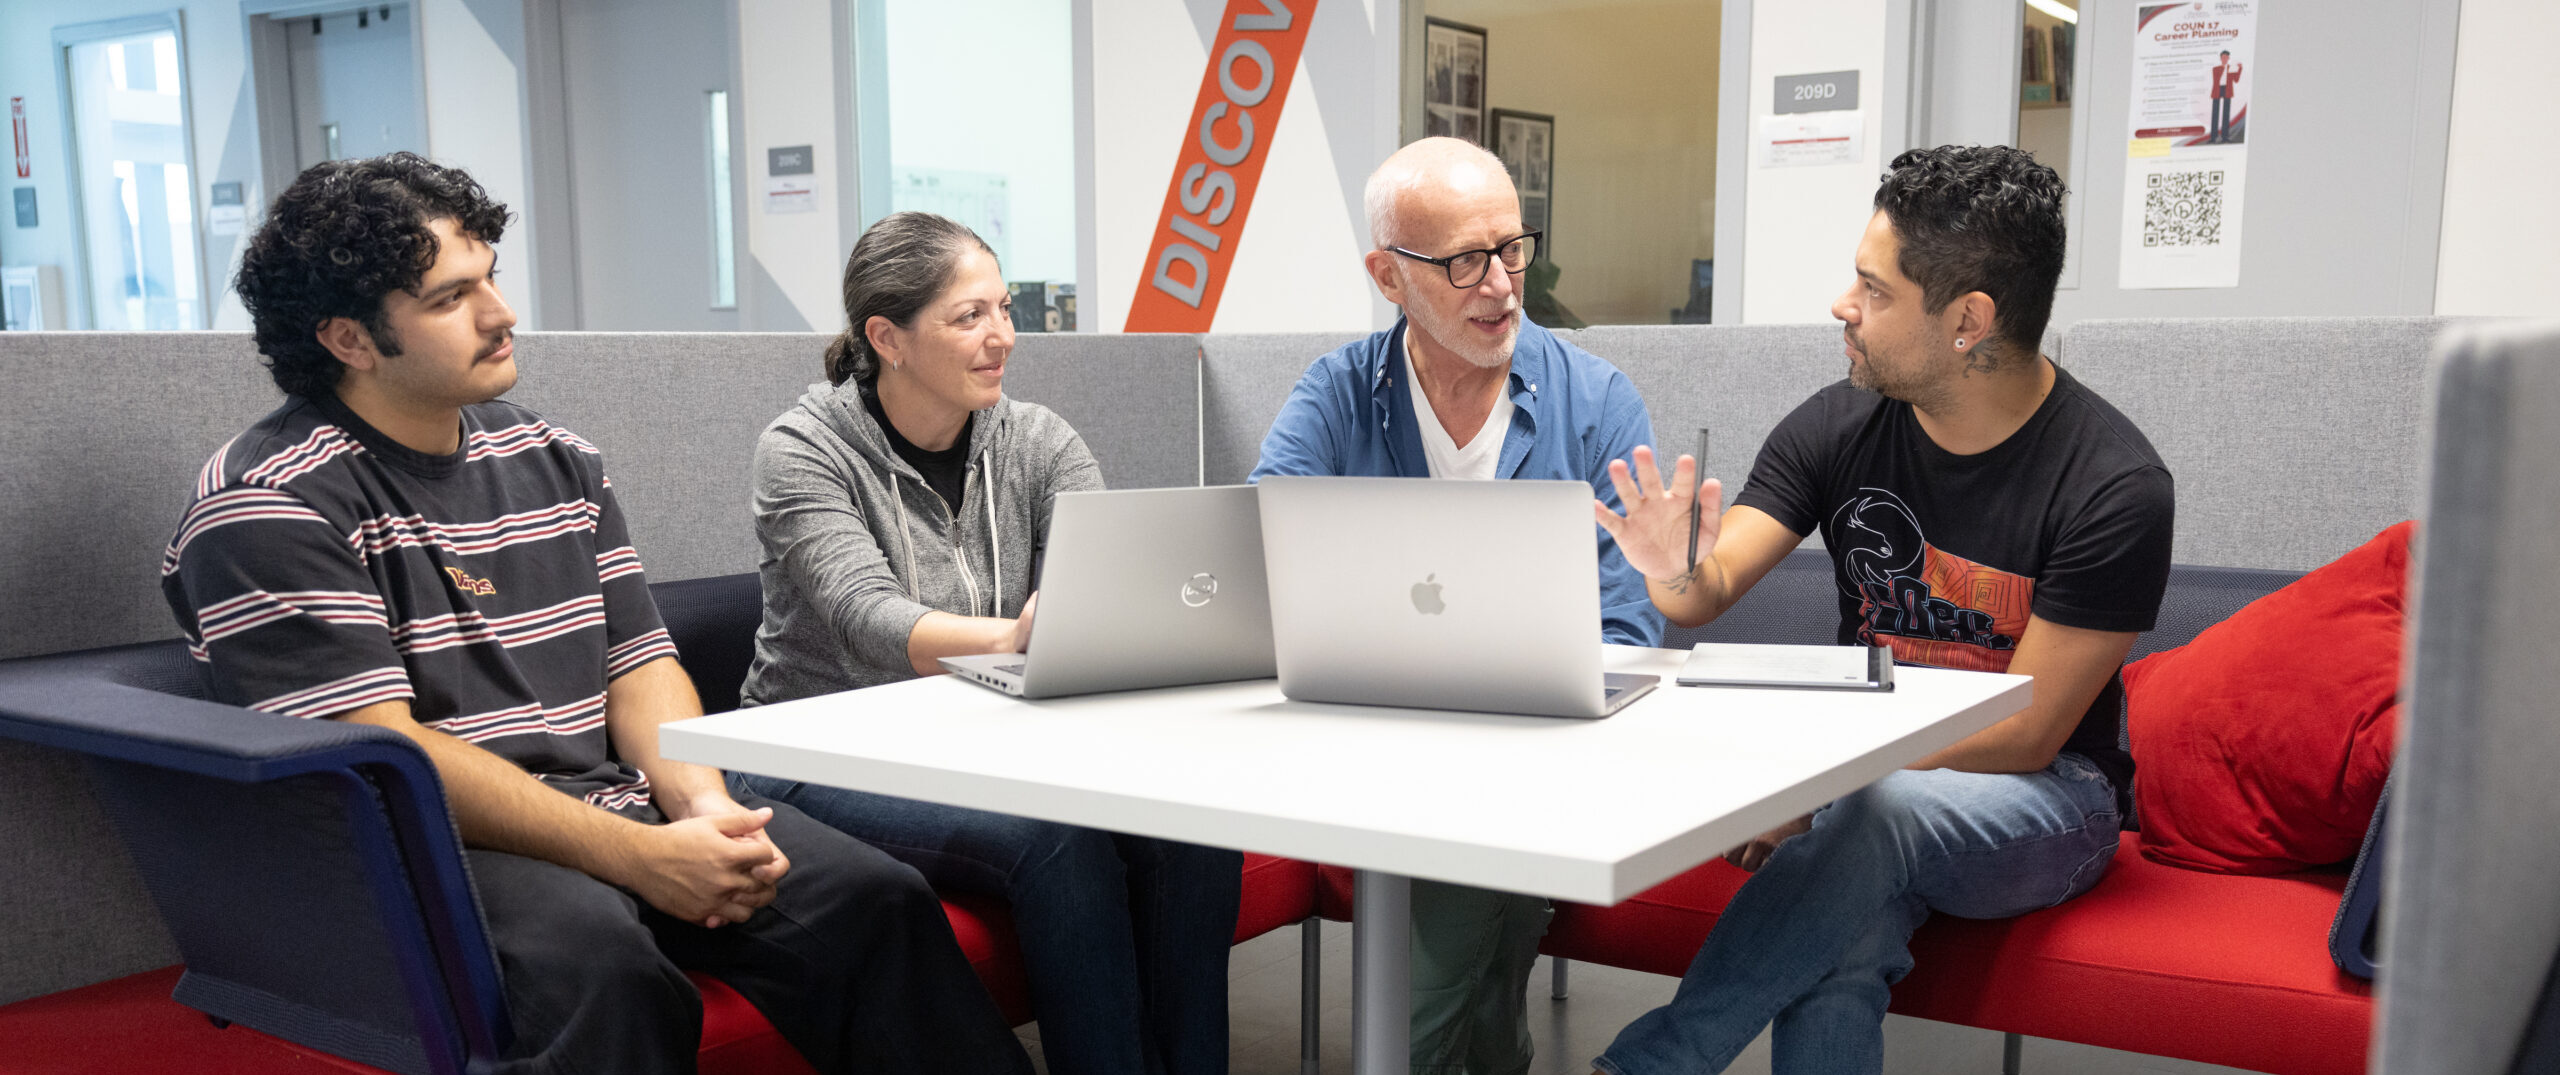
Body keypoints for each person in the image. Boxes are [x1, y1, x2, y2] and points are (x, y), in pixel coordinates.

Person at [167, 153, 1031, 1075]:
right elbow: (389, 751)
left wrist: (701, 803)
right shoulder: (268, 501)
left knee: (873, 897)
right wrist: (638, 856)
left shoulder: (558, 457)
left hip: (610, 796)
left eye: (491, 276)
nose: (501, 313)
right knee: (603, 967)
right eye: (452, 297)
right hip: (428, 848)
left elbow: (642, 662)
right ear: (349, 338)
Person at [1587, 145, 2173, 1075]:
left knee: (1873, 814)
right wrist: (1669, 569)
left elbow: (2027, 733)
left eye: (1874, 287)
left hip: (2055, 801)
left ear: (1968, 322)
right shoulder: (1837, 424)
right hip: (1873, 795)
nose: (1841, 305)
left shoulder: (2113, 485)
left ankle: (1650, 1063)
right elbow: (1710, 588)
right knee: (1842, 933)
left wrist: (1819, 788)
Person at [733, 210, 1242, 1075]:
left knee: (1193, 822)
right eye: (969, 316)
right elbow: (869, 618)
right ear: (886, 336)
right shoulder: (803, 450)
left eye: (1004, 309)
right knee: (1058, 839)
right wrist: (1018, 635)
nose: (1002, 336)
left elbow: (1105, 579)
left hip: (984, 739)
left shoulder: (1037, 439)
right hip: (814, 748)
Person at [1252, 135, 1665, 1075]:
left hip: (1537, 756)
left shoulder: (1596, 400)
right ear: (1388, 277)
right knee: (1474, 948)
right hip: (1375, 749)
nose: (1503, 286)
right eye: (1465, 262)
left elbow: (1629, 629)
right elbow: (1263, 555)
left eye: (1513, 248)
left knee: (1446, 940)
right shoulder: (1337, 394)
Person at [2209, 50, 2242, 143]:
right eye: (2223, 57)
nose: (2224, 59)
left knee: (2226, 114)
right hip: (2217, 90)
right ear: (2220, 58)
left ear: (2228, 58)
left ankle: (2225, 137)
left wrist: (2239, 69)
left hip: (2227, 90)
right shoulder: (2215, 69)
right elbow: (2216, 79)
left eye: (2226, 57)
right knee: (2215, 113)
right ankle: (2213, 137)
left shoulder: (2231, 68)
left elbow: (2236, 80)